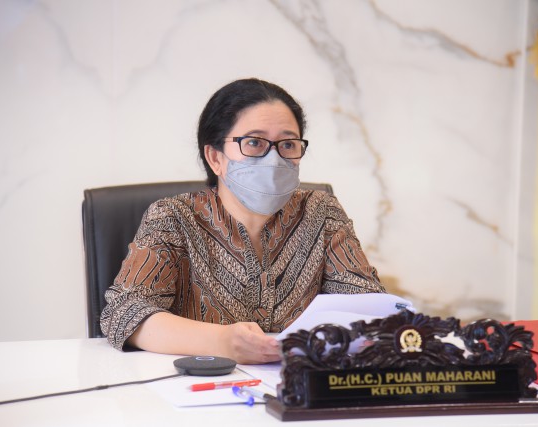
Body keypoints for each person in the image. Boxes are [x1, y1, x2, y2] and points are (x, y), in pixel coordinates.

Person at [100, 78, 386, 364]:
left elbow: (370, 309)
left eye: (288, 144)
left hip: (295, 381)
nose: (274, 159)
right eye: (254, 142)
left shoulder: (321, 212)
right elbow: (123, 314)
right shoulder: (172, 217)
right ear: (215, 158)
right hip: (198, 383)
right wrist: (220, 341)